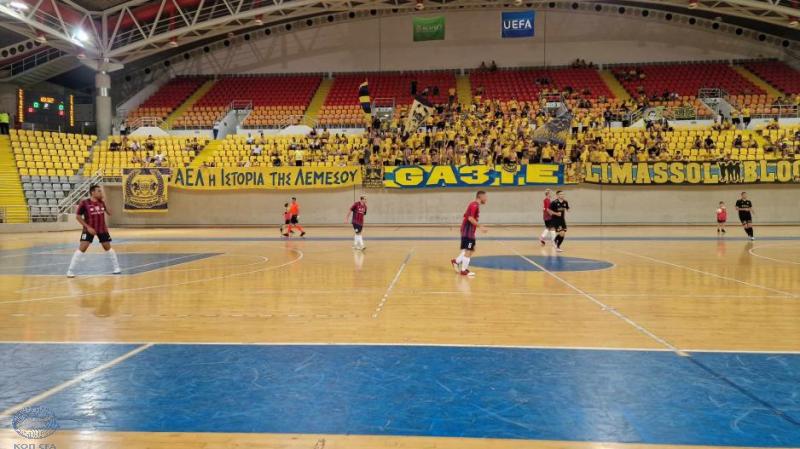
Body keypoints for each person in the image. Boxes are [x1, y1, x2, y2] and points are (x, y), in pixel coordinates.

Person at [66, 185, 121, 278]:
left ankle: (117, 268)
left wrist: (105, 201)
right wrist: (88, 227)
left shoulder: (102, 202)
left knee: (107, 247)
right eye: (99, 191)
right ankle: (70, 271)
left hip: (102, 229)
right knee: (82, 247)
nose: (101, 193)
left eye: (101, 191)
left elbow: (110, 213)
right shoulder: (84, 203)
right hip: (88, 229)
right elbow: (78, 217)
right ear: (92, 192)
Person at [451, 191, 487, 277]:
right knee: (469, 250)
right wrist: (480, 227)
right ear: (480, 197)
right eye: (485, 197)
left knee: (471, 249)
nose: (486, 199)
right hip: (468, 231)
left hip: (468, 231)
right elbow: (470, 218)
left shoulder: (474, 205)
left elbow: (466, 216)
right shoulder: (474, 205)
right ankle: (464, 270)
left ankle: (456, 261)